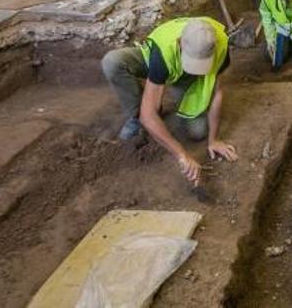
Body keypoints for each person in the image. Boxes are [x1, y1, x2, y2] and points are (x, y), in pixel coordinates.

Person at [101, 17, 239, 185]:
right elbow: (148, 115)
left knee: (198, 132)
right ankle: (135, 118)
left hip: (187, 79)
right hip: (159, 61)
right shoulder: (163, 52)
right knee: (113, 62)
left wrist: (214, 140)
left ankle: (170, 107)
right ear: (180, 43)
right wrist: (182, 155)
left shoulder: (220, 45)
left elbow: (217, 93)